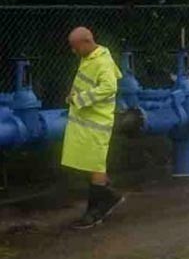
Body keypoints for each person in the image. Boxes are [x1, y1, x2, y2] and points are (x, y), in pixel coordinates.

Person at [62, 27, 124, 229]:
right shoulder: (90, 57)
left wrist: (79, 99)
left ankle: (95, 211)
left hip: (97, 122)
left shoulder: (102, 61)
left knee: (96, 165)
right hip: (86, 121)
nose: (73, 51)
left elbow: (109, 88)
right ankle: (108, 198)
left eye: (75, 47)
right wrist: (74, 96)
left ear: (87, 42)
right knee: (89, 164)